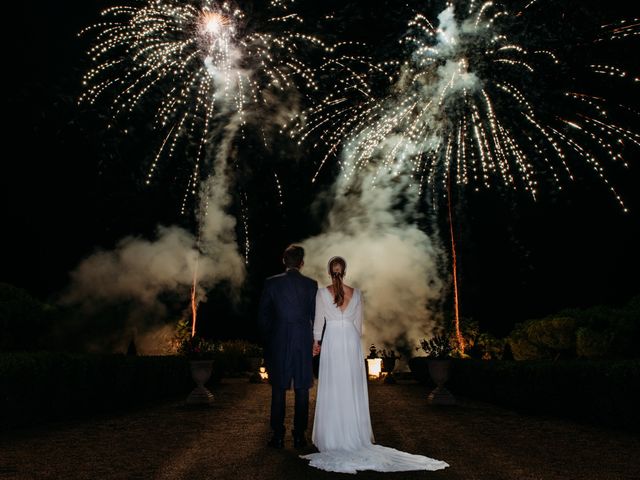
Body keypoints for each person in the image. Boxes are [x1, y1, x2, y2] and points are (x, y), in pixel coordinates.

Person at [301, 256, 449, 474]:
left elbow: (319, 322)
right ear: (345, 271)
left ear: (329, 272)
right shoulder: (357, 294)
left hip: (332, 340)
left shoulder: (322, 293)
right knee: (351, 387)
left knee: (333, 386)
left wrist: (316, 342)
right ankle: (355, 435)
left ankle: (332, 437)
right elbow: (359, 328)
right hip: (350, 342)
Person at [258, 245, 318, 449]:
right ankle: (299, 436)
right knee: (302, 389)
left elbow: (264, 317)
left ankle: (278, 436)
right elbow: (315, 316)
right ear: (302, 263)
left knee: (278, 390)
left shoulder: (271, 283)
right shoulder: (311, 285)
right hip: (303, 340)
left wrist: (270, 340)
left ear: (284, 260)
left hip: (279, 341)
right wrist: (315, 340)